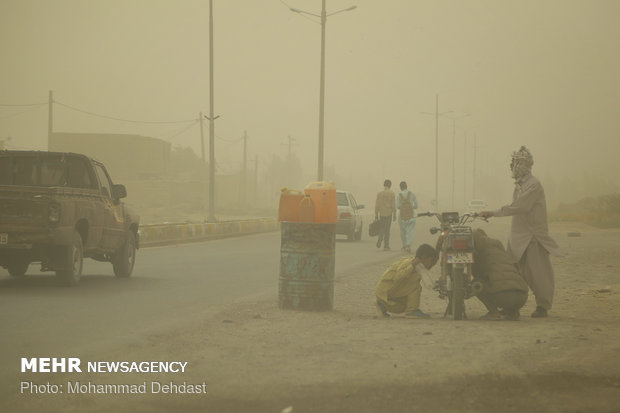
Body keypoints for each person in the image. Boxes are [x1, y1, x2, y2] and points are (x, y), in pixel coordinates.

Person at [479, 146, 561, 318]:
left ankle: (542, 306)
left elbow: (519, 207)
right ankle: (512, 306)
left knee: (539, 274)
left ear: (522, 165)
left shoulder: (534, 185)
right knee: (511, 274)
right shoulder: (520, 185)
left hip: (533, 237)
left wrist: (493, 213)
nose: (512, 167)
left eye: (514, 163)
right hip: (518, 237)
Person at [471, 228, 529, 321]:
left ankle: (494, 312)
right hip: (522, 296)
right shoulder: (497, 244)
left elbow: (476, 273)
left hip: (502, 297)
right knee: (507, 278)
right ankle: (513, 312)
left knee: (476, 283)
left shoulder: (477, 248)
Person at [374, 244, 438, 318]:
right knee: (416, 287)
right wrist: (412, 266)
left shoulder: (419, 268)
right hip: (385, 290)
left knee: (405, 306)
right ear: (424, 258)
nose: (433, 264)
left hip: (389, 291)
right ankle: (412, 311)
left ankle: (382, 305)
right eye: (432, 261)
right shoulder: (409, 262)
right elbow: (398, 277)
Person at [396, 181, 418, 253]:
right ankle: (408, 245)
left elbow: (398, 206)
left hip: (402, 216)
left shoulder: (399, 195)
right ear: (406, 186)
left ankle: (404, 245)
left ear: (400, 187)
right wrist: (411, 207)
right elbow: (416, 206)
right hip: (411, 216)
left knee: (403, 231)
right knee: (410, 231)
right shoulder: (412, 194)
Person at [374, 179, 396, 251]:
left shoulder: (379, 194)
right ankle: (386, 246)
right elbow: (393, 205)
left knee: (382, 227)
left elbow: (377, 205)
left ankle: (380, 237)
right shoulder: (392, 194)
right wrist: (394, 214)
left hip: (382, 213)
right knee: (387, 229)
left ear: (384, 185)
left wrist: (376, 215)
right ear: (390, 185)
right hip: (389, 213)